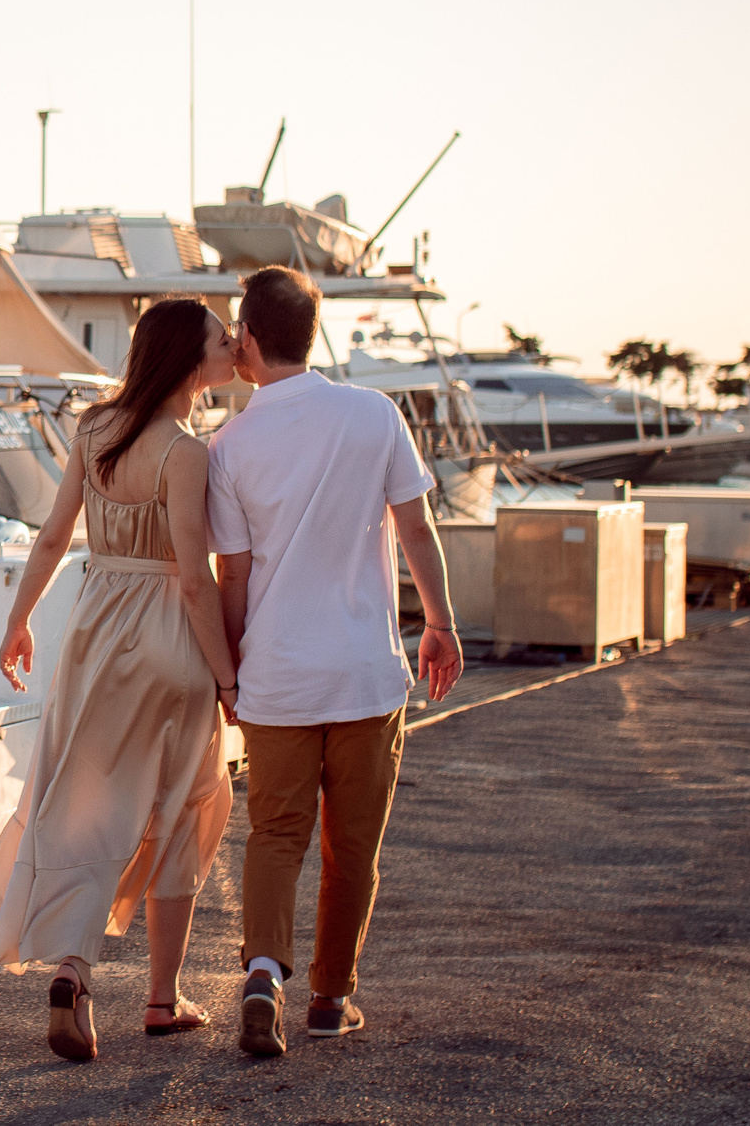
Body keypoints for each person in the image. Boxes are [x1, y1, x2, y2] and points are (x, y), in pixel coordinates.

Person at [0, 297, 243, 1062]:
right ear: (191, 359)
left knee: (88, 803)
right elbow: (194, 579)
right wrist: (227, 678)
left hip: (96, 629)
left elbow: (54, 535)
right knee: (183, 805)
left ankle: (73, 967)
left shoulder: (94, 429)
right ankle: (162, 998)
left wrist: (18, 620)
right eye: (223, 339)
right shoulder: (187, 452)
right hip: (170, 639)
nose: (232, 346)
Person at [208, 265, 462, 1057]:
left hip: (278, 677)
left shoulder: (229, 443)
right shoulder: (373, 413)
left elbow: (235, 574)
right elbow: (416, 529)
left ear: (248, 336)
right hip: (364, 673)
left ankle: (261, 974)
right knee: (354, 846)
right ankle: (330, 996)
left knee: (275, 834)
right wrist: (441, 624)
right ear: (311, 333)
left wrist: (233, 669)